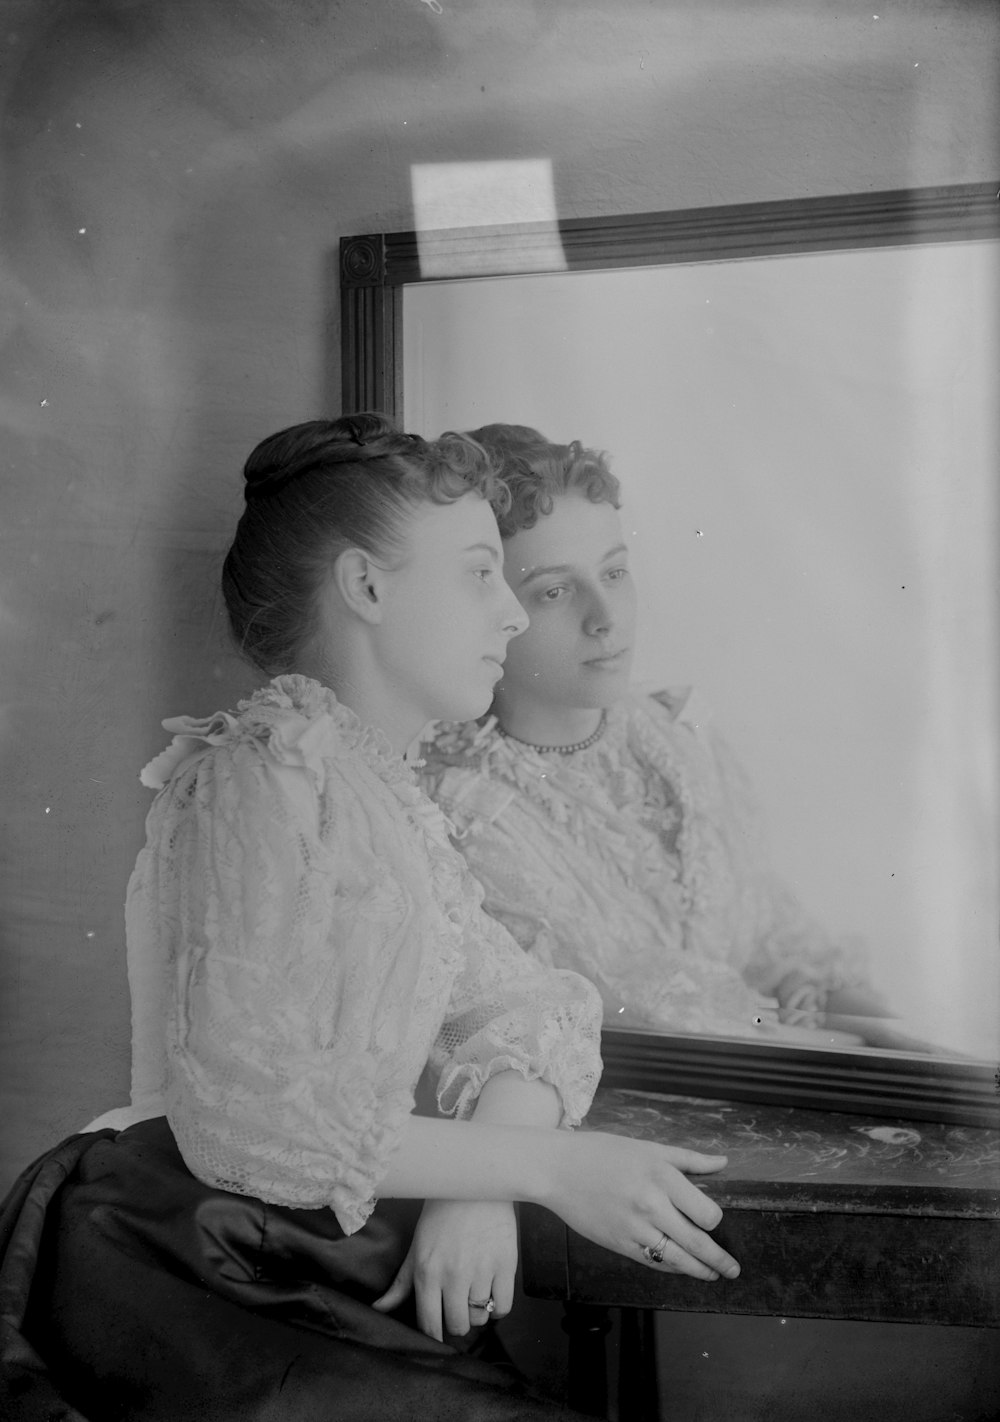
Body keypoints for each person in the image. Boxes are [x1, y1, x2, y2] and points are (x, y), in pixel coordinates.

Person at [0, 414, 740, 1422]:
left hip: (322, 1255)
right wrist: (549, 1165)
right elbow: (257, 1122)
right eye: (480, 573)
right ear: (367, 588)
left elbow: (530, 1003)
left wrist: (480, 1180)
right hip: (198, 1257)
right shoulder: (267, 778)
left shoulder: (382, 790)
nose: (512, 616)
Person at [419, 424, 902, 1047]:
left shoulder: (678, 736)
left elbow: (776, 940)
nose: (605, 618)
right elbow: (624, 1014)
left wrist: (898, 1037)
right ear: (491, 609)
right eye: (556, 591)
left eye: (615, 574)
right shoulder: (461, 814)